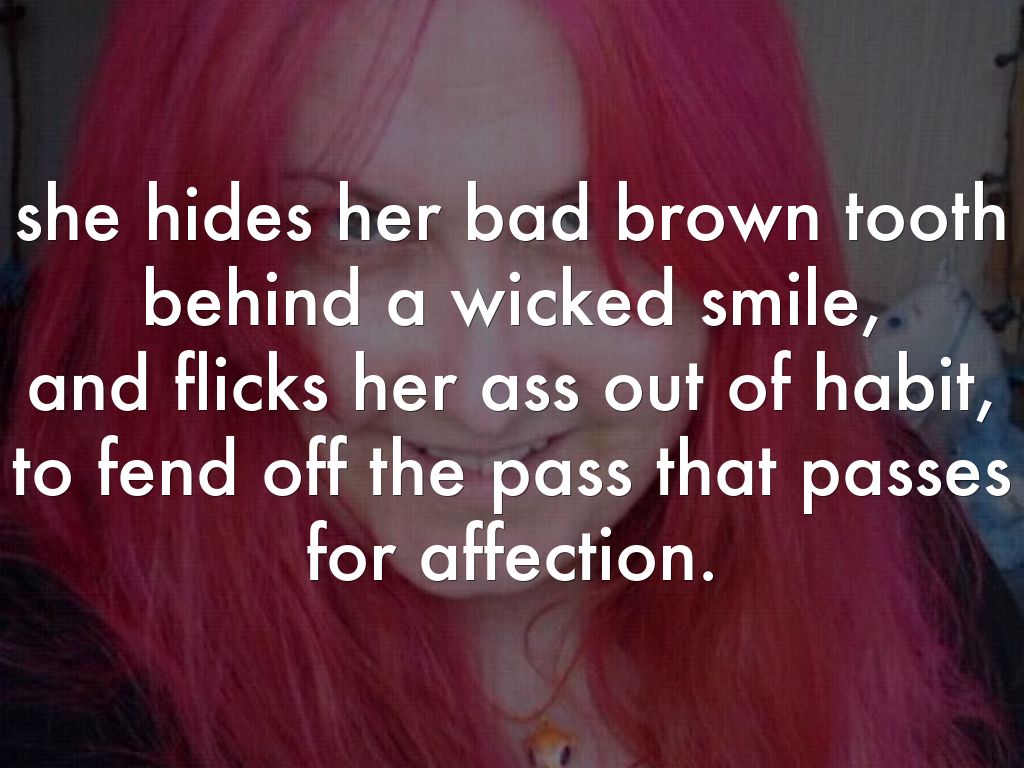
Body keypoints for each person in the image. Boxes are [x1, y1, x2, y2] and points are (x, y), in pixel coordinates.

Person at [1, 0, 1021, 765]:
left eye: (593, 224)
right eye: (350, 230)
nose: (482, 398)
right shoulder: (60, 668)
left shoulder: (894, 537)